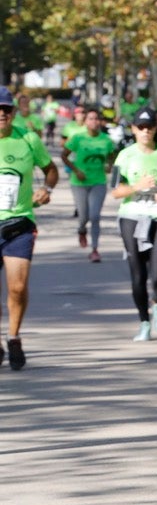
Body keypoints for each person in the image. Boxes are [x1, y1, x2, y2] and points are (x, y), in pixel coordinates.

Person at [110, 106, 157, 341]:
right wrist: (137, 187)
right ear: (133, 129)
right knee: (137, 273)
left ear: (155, 128)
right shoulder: (125, 155)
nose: (145, 131)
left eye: (149, 127)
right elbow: (116, 191)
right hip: (132, 215)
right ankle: (143, 321)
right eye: (140, 127)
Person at [0, 87, 56, 368]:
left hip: (18, 223)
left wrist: (46, 189)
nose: (1, 113)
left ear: (13, 112)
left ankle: (13, 336)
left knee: (17, 287)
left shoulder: (29, 139)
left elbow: (51, 169)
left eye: (6, 109)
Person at [63, 107, 115, 261]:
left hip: (98, 182)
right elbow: (64, 156)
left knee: (95, 216)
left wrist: (109, 166)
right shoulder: (78, 138)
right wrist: (76, 170)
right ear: (85, 121)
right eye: (90, 118)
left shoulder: (106, 140)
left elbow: (112, 156)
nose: (94, 121)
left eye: (96, 118)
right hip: (79, 182)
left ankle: (95, 249)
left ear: (100, 121)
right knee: (83, 216)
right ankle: (81, 230)